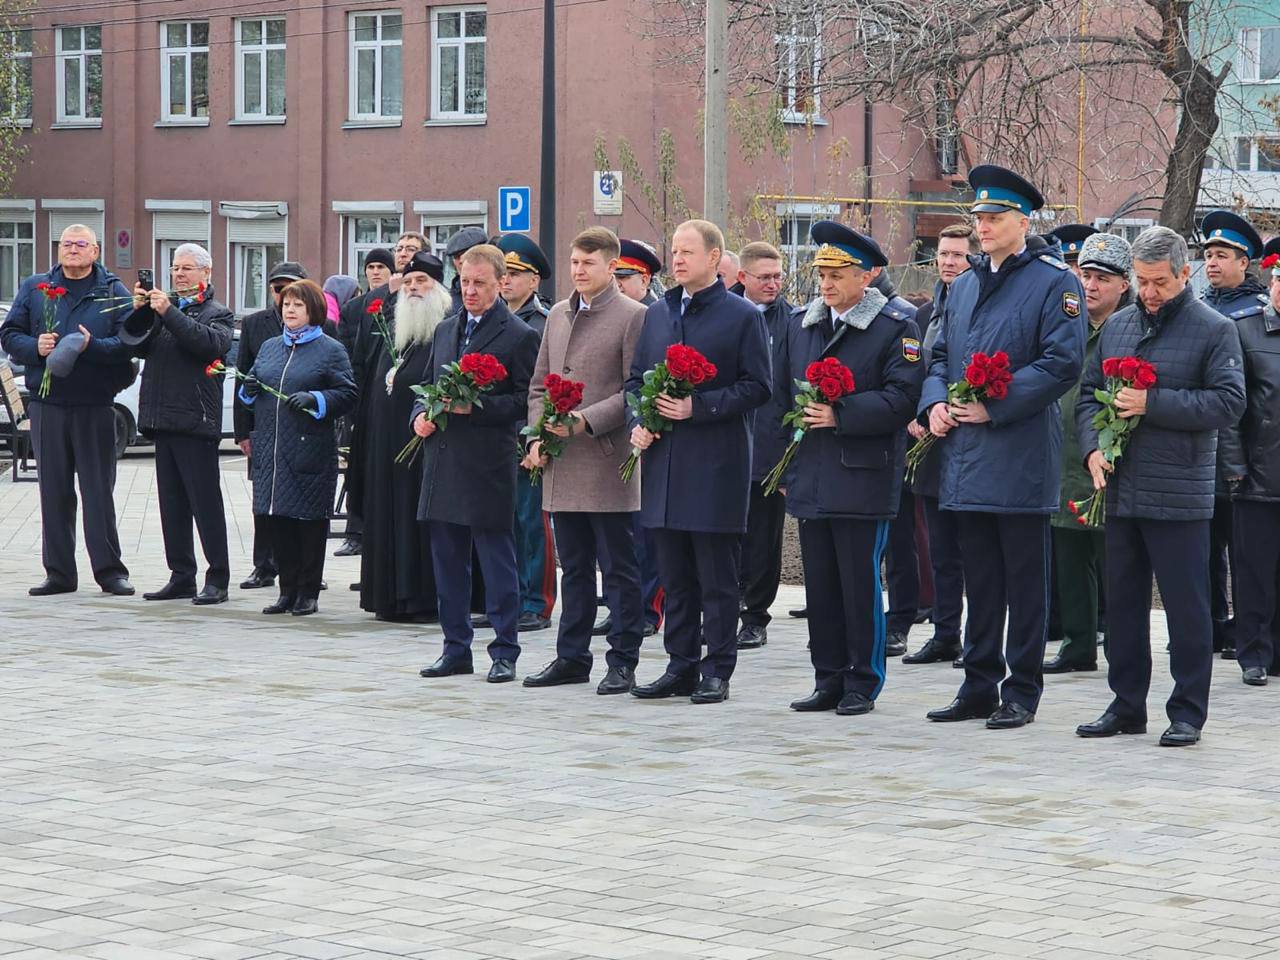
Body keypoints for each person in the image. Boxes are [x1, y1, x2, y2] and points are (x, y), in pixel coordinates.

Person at [919, 164, 1085, 729]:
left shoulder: (1053, 281)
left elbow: (1062, 363)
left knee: (1023, 580)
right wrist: (935, 402)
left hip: (1018, 453)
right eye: (979, 217)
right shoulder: (963, 284)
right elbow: (938, 355)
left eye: (993, 218)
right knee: (980, 578)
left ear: (1022, 220)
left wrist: (997, 404)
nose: (982, 227)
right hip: (965, 455)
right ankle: (978, 683)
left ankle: (1021, 689)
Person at [1075, 226, 1244, 746]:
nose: (1149, 293)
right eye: (1142, 282)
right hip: (1122, 490)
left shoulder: (1214, 329)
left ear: (1184, 273)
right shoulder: (1119, 326)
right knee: (1122, 606)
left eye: (1160, 283)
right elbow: (1088, 396)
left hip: (1180, 493)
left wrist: (1154, 403)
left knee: (1186, 609)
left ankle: (1188, 710)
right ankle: (1127, 705)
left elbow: (1228, 403)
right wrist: (1093, 449)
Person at [778, 222, 923, 715]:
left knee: (859, 583)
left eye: (838, 273)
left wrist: (842, 413)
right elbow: (784, 393)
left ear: (867, 276)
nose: (826, 282)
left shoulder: (896, 325)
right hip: (813, 473)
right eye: (821, 271)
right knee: (820, 585)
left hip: (863, 473)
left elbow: (904, 398)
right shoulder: (803, 323)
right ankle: (828, 676)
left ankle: (862, 680)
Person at [627, 219, 772, 704]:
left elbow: (758, 387)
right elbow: (634, 380)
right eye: (674, 250)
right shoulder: (658, 313)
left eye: (688, 251)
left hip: (715, 466)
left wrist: (700, 406)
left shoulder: (741, 315)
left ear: (714, 258)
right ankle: (680, 664)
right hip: (665, 464)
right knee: (675, 576)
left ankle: (717, 670)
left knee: (715, 577)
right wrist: (641, 417)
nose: (678, 259)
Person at [521, 227, 648, 693]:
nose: (577, 271)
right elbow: (538, 384)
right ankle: (571, 657)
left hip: (606, 460)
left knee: (618, 569)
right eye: (574, 262)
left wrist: (585, 420)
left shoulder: (633, 316)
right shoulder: (556, 314)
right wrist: (536, 435)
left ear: (611, 267)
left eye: (588, 263)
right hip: (561, 461)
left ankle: (623, 660)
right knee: (573, 568)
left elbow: (634, 390)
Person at [413, 244, 540, 683]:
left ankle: (505, 649)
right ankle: (455, 647)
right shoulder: (446, 330)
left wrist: (477, 407)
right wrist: (419, 417)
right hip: (443, 460)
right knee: (447, 560)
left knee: (496, 559)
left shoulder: (519, 335)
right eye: (465, 281)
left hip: (487, 463)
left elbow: (526, 401)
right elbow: (426, 385)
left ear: (501, 283)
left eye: (480, 283)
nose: (470, 290)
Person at [0, 224, 136, 597]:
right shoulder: (36, 287)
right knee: (54, 491)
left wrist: (89, 346)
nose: (72, 249)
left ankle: (110, 572)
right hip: (49, 405)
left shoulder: (111, 291)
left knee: (98, 491)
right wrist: (36, 346)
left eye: (81, 244)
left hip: (95, 404)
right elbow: (9, 334)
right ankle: (59, 573)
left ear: (96, 251)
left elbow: (128, 343)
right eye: (66, 244)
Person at [125, 243, 235, 605]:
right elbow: (136, 346)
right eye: (175, 268)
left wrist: (168, 312)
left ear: (207, 273)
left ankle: (217, 577)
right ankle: (181, 575)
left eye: (188, 268)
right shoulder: (163, 311)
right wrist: (141, 312)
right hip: (164, 419)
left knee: (205, 503)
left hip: (195, 421)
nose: (179, 274)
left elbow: (207, 345)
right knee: (171, 504)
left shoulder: (217, 313)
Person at [241, 280, 356, 616]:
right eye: (286, 304)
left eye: (297, 306)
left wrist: (317, 399)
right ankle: (286, 590)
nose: (289, 310)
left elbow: (348, 393)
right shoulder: (270, 347)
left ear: (313, 311)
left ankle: (308, 591)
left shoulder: (330, 349)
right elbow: (254, 386)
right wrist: (248, 389)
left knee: (307, 522)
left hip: (308, 448)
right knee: (278, 522)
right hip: (272, 451)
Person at [1044, 232, 1132, 673]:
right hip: (1063, 458)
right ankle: (1078, 645)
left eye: (1101, 277)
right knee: (1070, 557)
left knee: (1115, 561)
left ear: (1123, 284)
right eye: (1085, 275)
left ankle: (1121, 645)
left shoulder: (1132, 327)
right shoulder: (1067, 324)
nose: (1090, 285)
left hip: (1111, 462)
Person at [358, 251, 452, 623]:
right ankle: (389, 596)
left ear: (438, 288)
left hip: (425, 449)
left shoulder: (445, 331)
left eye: (422, 282)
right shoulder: (396, 335)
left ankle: (421, 598)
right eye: (409, 282)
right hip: (387, 449)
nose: (413, 289)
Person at [902, 223, 976, 667]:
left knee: (972, 549)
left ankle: (977, 638)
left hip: (967, 440)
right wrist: (918, 416)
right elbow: (914, 373)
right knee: (941, 549)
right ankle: (945, 632)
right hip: (928, 441)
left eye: (957, 255)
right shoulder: (925, 312)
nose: (948, 262)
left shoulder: (977, 305)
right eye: (943, 254)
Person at [1199, 210, 1266, 659]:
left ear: (1245, 262)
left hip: (1242, 454)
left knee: (1244, 554)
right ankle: (1208, 624)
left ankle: (1244, 628)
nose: (1212, 263)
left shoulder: (1257, 315)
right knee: (1202, 548)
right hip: (1198, 450)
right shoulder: (1196, 309)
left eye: (1222, 255)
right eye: (1207, 254)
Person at [338, 234, 427, 560]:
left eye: (411, 250)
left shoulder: (434, 309)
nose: (403, 254)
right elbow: (356, 353)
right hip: (373, 410)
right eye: (399, 248)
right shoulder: (373, 303)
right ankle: (358, 533)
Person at [1220, 237, 1280, 686]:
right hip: (1258, 477)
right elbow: (1231, 412)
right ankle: (1253, 653)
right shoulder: (1245, 330)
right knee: (1253, 571)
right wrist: (1236, 468)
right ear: (1271, 282)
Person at [729, 241, 792, 650]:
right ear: (742, 278)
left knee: (763, 538)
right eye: (764, 277)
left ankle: (755, 615)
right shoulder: (724, 316)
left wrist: (790, 457)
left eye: (777, 277)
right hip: (725, 446)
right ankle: (720, 607)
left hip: (770, 450)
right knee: (724, 536)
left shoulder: (794, 322)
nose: (773, 284)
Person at [604, 238, 667, 639]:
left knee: (648, 534)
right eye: (614, 277)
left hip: (649, 435)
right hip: (613, 435)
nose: (618, 286)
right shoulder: (608, 317)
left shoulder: (655, 318)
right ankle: (621, 606)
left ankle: (649, 607)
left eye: (624, 278)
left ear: (644, 280)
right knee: (618, 537)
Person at [496, 233, 557, 631]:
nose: (507, 281)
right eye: (503, 273)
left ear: (534, 281)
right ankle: (510, 597)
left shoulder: (545, 322)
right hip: (492, 440)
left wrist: (533, 437)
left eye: (516, 273)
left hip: (526, 438)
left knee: (532, 523)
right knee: (503, 523)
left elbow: (542, 388)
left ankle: (537, 600)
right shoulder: (491, 319)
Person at [234, 260, 309, 589]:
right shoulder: (255, 324)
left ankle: (303, 567)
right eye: (278, 290)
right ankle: (264, 565)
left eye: (290, 289)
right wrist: (242, 432)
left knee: (300, 498)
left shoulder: (321, 325)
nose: (283, 297)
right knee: (264, 500)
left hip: (301, 428)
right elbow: (242, 376)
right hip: (263, 426)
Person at [444, 227, 490, 316]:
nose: (461, 260)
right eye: (456, 256)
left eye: (467, 254)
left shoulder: (502, 291)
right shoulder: (447, 301)